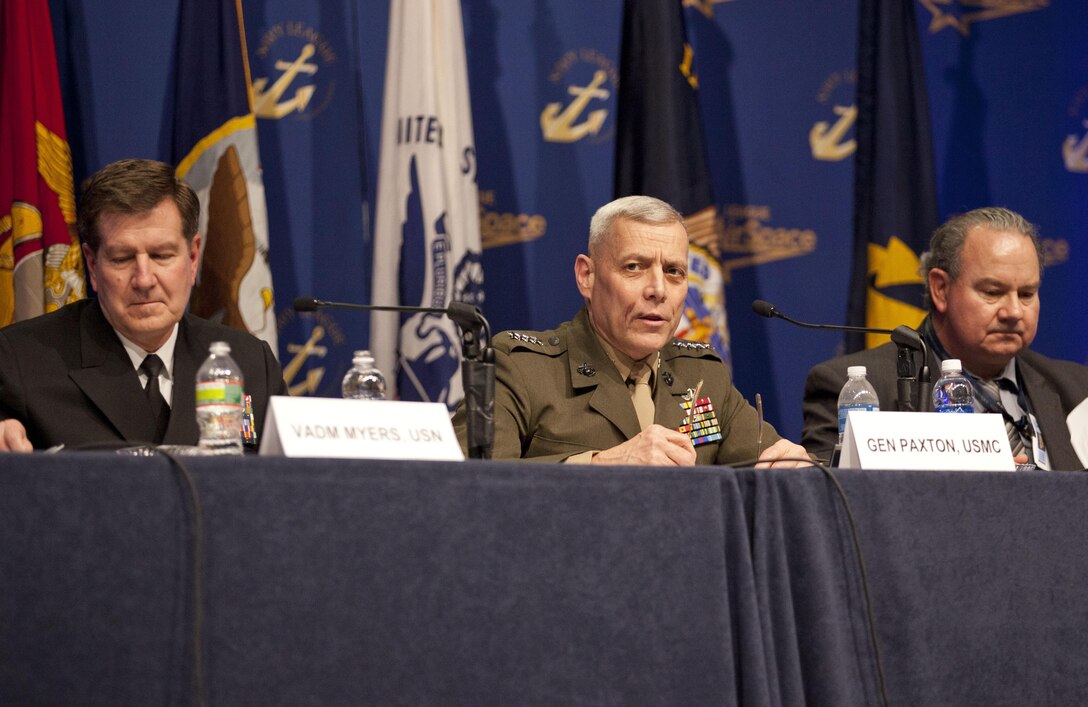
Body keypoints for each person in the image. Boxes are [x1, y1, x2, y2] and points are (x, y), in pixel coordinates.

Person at [452, 195, 810, 467]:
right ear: (586, 276)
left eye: (674, 272)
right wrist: (600, 465)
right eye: (634, 267)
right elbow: (474, 483)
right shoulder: (522, 369)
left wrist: (791, 467)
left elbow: (768, 463)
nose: (658, 289)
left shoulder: (702, 373)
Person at [0, 158, 286, 452]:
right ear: (93, 265)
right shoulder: (21, 362)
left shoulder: (249, 363)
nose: (144, 279)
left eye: (162, 255)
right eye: (122, 258)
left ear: (192, 258)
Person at [802, 207, 1088, 469]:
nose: (1013, 311)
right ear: (940, 289)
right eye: (992, 292)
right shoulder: (855, 389)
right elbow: (829, 506)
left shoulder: (1078, 391)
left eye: (1026, 294)